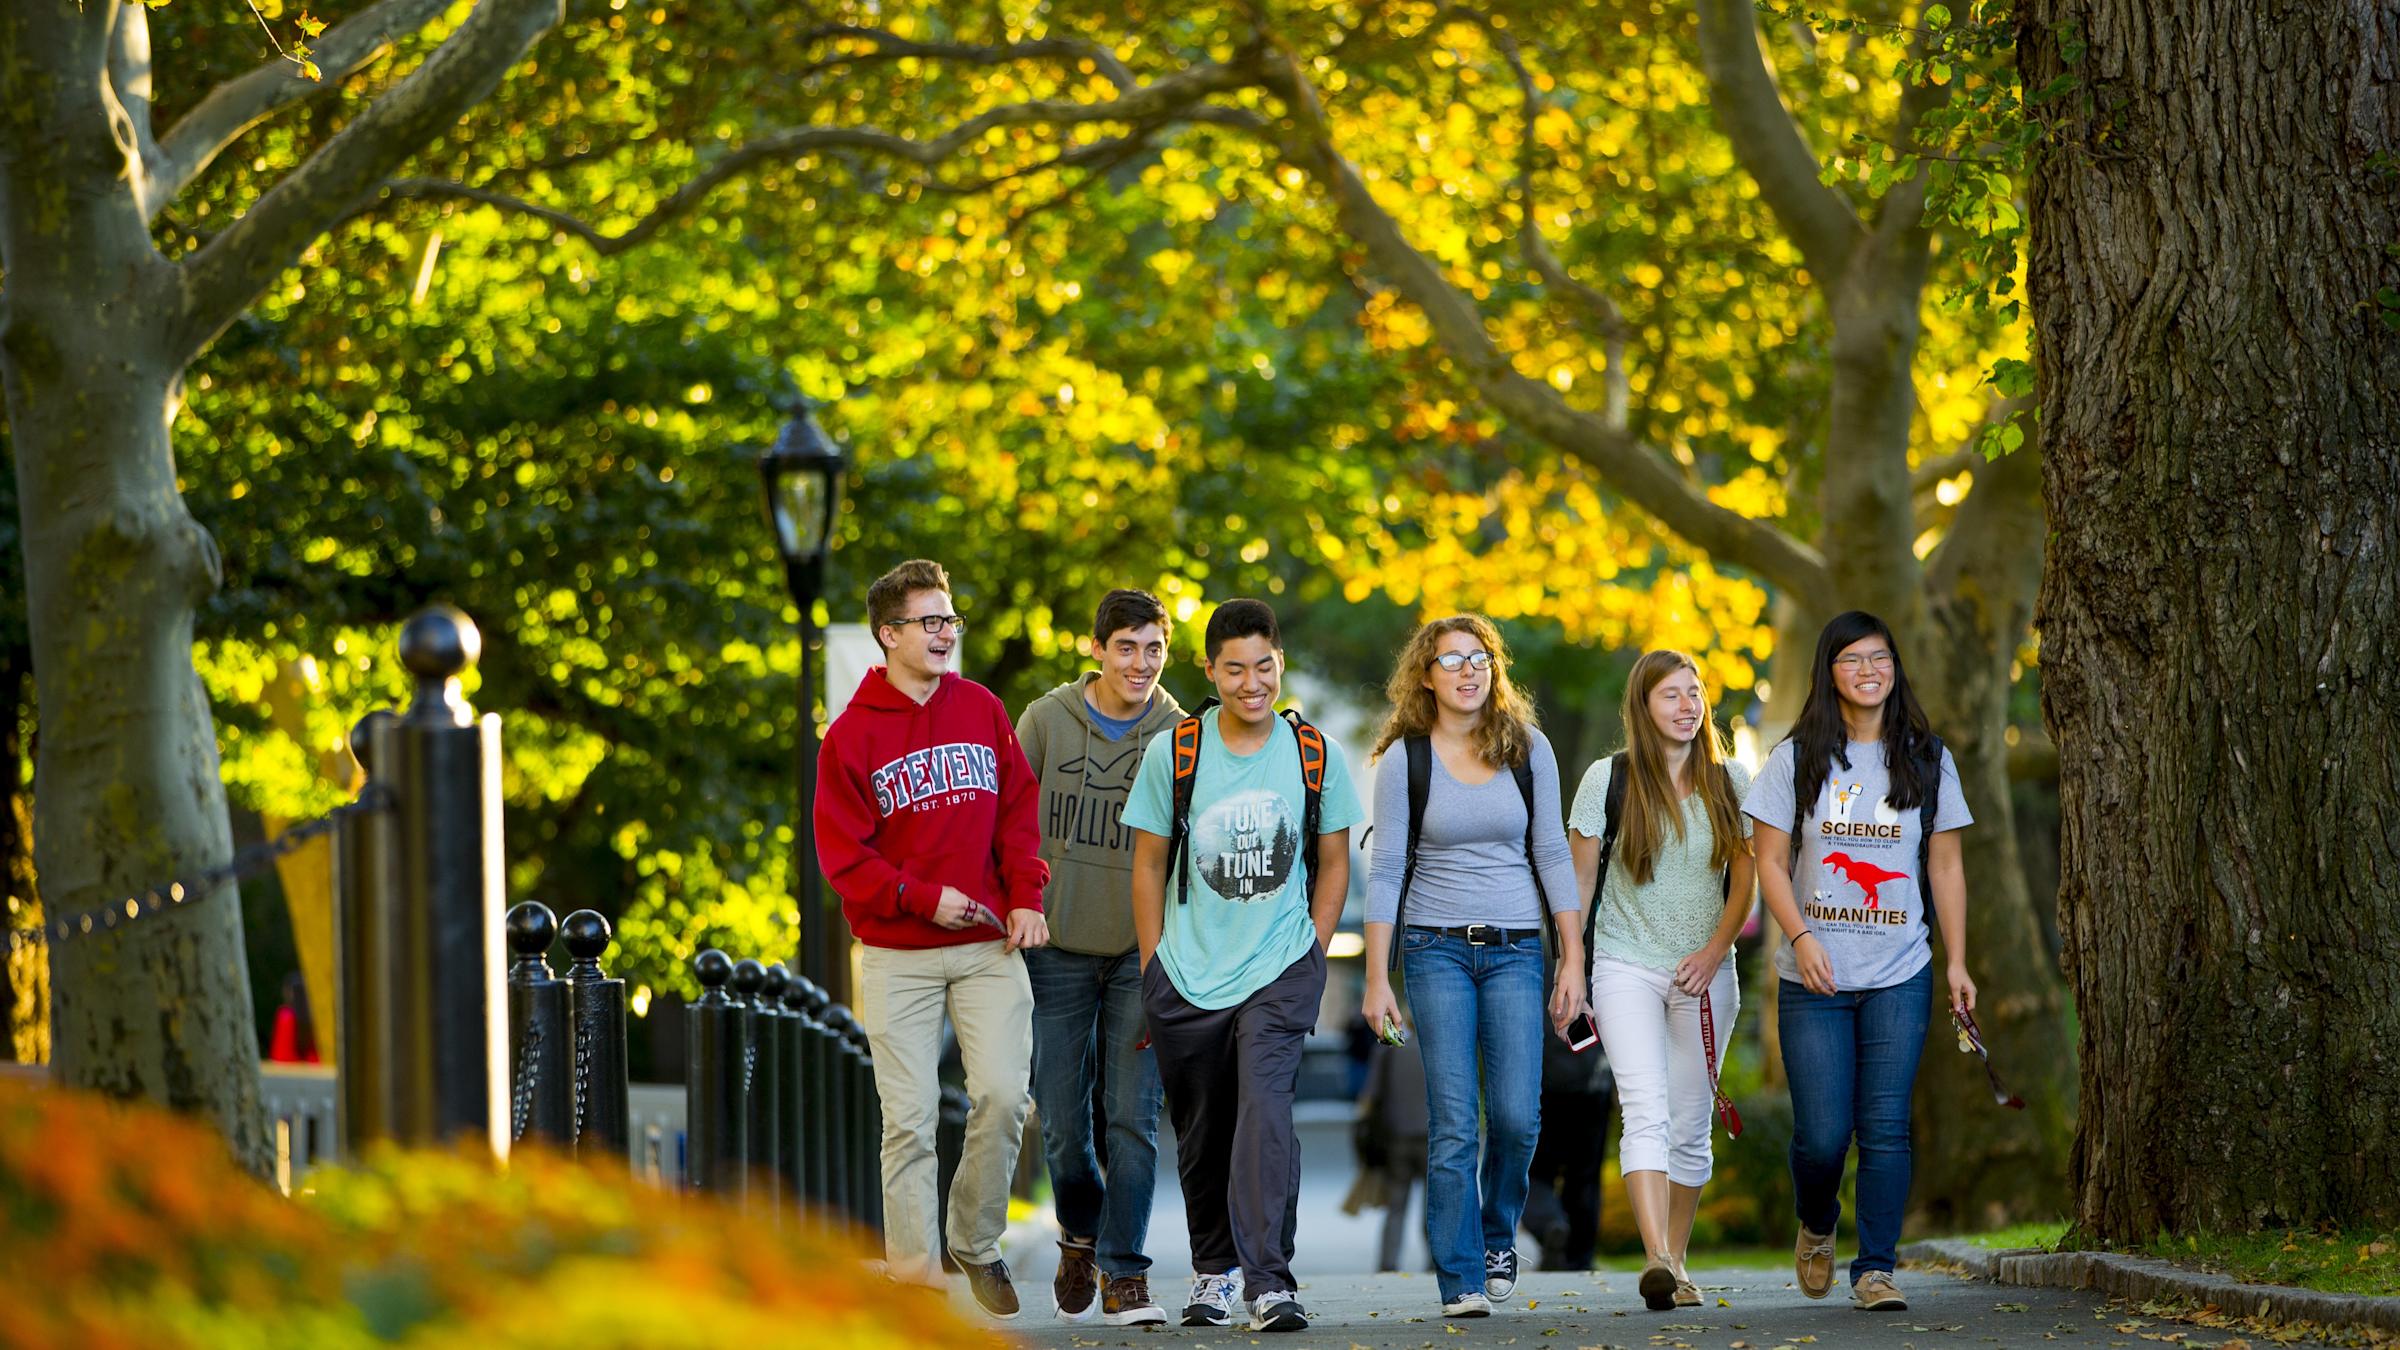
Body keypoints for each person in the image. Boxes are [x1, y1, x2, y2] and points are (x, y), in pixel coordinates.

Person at [815, 558, 1051, 1317]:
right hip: (895, 955)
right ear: (888, 634)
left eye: (951, 619)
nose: (946, 632)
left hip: (988, 942)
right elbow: (843, 857)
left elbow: (1019, 813)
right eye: (930, 621)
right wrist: (920, 898)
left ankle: (976, 1244)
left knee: (1005, 1096)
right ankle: (914, 1278)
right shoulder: (849, 738)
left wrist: (1024, 898)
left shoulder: (982, 708)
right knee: (910, 1119)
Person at [1124, 598, 1361, 1334]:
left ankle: (1269, 1283)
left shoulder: (1313, 752)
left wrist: (1313, 950)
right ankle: (1213, 1272)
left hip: (1280, 961)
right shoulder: (1178, 751)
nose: (1252, 683)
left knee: (1263, 1109)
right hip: (1189, 971)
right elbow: (1148, 863)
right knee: (1202, 1130)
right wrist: (1154, 963)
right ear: (1210, 670)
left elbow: (1333, 860)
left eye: (1264, 666)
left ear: (1279, 663)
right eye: (1235, 669)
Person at [1743, 611, 1975, 1313]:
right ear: (1830, 672)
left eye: (1880, 658)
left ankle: (1874, 1268)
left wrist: (1958, 963)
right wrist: (1802, 936)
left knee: (1884, 1124)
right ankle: (1817, 1222)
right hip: (1814, 976)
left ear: (1895, 668)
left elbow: (1945, 866)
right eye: (1852, 660)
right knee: (1820, 1137)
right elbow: (1770, 860)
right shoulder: (1795, 758)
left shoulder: (1927, 757)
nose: (1869, 671)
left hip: (1900, 970)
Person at [1360, 614, 1584, 1319]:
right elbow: (1388, 869)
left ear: (1494, 669)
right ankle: (1459, 1276)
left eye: (1478, 657)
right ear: (1425, 675)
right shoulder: (1406, 760)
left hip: (1519, 948)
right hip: (1435, 950)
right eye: (1450, 659)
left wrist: (1571, 958)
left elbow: (1552, 853)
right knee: (1455, 1120)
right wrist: (1375, 978)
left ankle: (1497, 1235)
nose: (1467, 670)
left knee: (1517, 1117)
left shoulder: (1528, 749)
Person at [1567, 650, 1755, 1310]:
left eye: (1694, 692)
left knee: (1691, 1123)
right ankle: (1656, 1259)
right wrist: (1571, 965)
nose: (1687, 705)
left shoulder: (1729, 781)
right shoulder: (1608, 779)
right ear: (1643, 707)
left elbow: (1744, 886)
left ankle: (1676, 1258)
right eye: (1671, 695)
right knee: (1644, 1107)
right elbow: (1580, 883)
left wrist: (1712, 952)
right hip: (1625, 965)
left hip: (1708, 973)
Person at [1015, 588, 1182, 1326]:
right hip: (1053, 949)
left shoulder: (1183, 734)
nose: (1140, 663)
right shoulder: (1046, 721)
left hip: (1139, 956)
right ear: (1097, 649)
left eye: (1153, 648)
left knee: (1133, 1118)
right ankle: (1080, 1231)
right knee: (1059, 1117)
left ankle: (1124, 1272)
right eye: (1126, 647)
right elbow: (1009, 822)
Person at [1519, 1013, 1613, 1273]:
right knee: (1585, 1177)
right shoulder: (1592, 972)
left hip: (1547, 1086)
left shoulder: (1538, 974)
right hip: (1594, 1084)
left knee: (1536, 1172)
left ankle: (1550, 1223)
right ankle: (1579, 1256)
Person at [1355, 1033, 1429, 1273]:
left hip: (1397, 1137)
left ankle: (1388, 1262)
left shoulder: (1388, 1051)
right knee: (1435, 1204)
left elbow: (1370, 1095)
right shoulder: (1437, 1049)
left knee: (1396, 1205)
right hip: (1432, 1137)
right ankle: (1438, 1259)